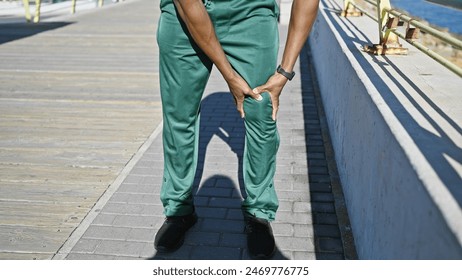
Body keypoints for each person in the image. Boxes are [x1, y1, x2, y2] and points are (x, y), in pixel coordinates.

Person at [154, 0, 319, 259]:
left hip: (251, 15)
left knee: (262, 114)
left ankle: (259, 212)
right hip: (184, 15)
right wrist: (230, 75)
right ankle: (179, 209)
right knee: (179, 116)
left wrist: (285, 72)